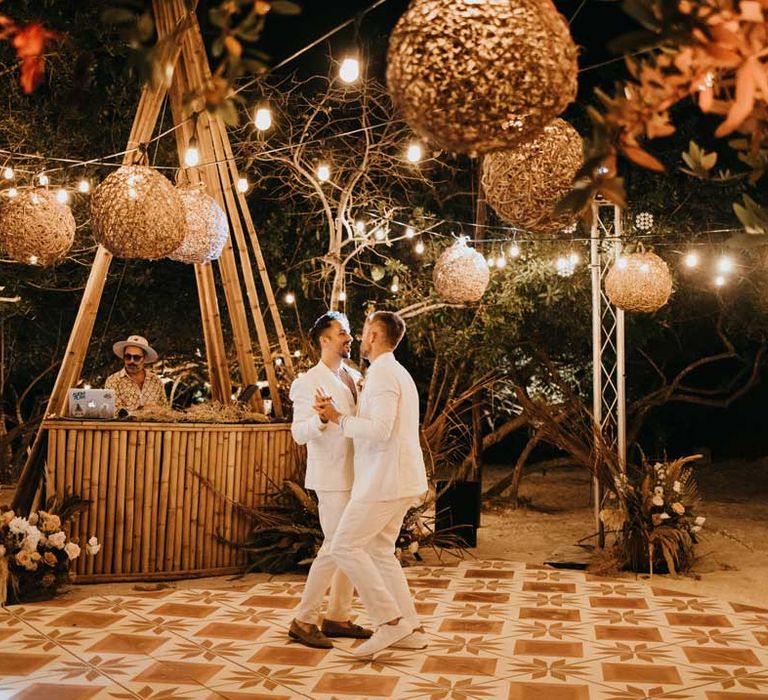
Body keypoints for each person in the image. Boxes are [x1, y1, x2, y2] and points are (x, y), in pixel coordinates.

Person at [315, 310, 429, 657]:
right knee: (379, 552)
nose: (360, 338)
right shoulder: (399, 373)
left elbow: (380, 430)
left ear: (376, 337)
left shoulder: (382, 375)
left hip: (384, 480)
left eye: (364, 332)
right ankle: (410, 627)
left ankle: (388, 622)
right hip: (399, 478)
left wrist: (338, 418)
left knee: (344, 545)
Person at [287, 311, 372, 649]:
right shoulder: (308, 381)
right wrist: (321, 421)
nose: (348, 338)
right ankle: (303, 619)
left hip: (359, 474)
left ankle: (337, 615)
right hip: (332, 476)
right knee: (336, 547)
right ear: (324, 340)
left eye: (349, 332)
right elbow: (297, 433)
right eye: (342, 333)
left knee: (349, 547)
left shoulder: (354, 376)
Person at [105, 335, 167, 412]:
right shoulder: (113, 381)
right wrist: (143, 411)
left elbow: (165, 410)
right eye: (128, 357)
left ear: (144, 358)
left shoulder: (156, 381)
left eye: (136, 357)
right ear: (124, 357)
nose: (131, 361)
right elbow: (114, 412)